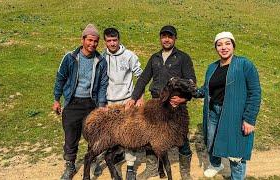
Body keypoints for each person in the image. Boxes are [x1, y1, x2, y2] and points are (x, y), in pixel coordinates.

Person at [126, 25, 196, 180]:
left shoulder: (183, 57)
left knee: (181, 138)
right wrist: (134, 97)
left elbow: (192, 82)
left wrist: (184, 99)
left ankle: (185, 172)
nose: (166, 39)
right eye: (164, 36)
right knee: (151, 136)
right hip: (156, 104)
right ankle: (152, 168)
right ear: (160, 38)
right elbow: (144, 78)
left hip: (175, 105)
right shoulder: (155, 57)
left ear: (175, 38)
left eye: (170, 36)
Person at [195, 32, 261, 179]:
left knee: (235, 151)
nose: (223, 47)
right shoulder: (212, 67)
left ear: (233, 45)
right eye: (219, 45)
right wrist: (190, 91)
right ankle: (216, 164)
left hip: (234, 114)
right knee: (211, 141)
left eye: (227, 43)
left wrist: (249, 119)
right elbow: (206, 89)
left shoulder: (244, 65)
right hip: (213, 112)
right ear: (215, 48)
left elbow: (255, 92)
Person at [52, 24, 108, 180]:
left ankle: (92, 162)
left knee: (93, 135)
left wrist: (102, 105)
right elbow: (60, 78)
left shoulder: (100, 60)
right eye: (90, 40)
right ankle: (70, 165)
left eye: (96, 41)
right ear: (83, 39)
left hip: (91, 103)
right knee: (71, 135)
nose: (92, 44)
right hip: (72, 102)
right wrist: (57, 99)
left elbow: (103, 83)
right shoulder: (70, 58)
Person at [103, 27, 143, 180]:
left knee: (129, 135)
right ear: (105, 41)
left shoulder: (129, 56)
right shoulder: (101, 57)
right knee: (112, 134)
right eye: (109, 41)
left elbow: (140, 76)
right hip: (110, 103)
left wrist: (139, 97)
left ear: (119, 40)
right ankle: (115, 157)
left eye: (115, 40)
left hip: (127, 102)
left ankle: (131, 167)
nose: (112, 43)